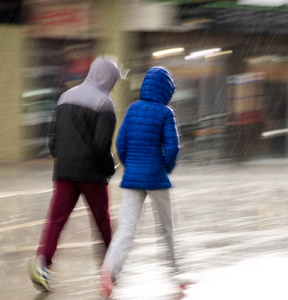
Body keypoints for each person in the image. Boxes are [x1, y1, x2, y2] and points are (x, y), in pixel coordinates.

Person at [29, 55, 125, 292]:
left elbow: (53, 141)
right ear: (109, 79)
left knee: (56, 221)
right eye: (115, 80)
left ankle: (42, 263)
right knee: (102, 224)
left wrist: (63, 157)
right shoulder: (106, 104)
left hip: (64, 171)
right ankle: (109, 270)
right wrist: (109, 168)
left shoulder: (65, 97)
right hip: (91, 175)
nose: (114, 85)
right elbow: (101, 145)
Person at [99, 66, 181, 298]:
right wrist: (165, 167)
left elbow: (120, 144)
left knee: (126, 229)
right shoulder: (166, 113)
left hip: (132, 179)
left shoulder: (133, 110)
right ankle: (175, 276)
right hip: (156, 178)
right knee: (166, 229)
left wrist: (129, 165)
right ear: (165, 90)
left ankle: (109, 272)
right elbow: (173, 148)